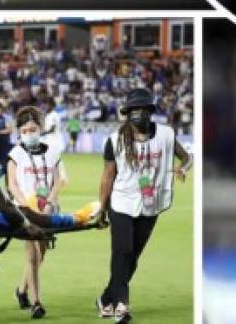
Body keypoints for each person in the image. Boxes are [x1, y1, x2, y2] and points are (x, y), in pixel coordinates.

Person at [97, 89, 192, 324]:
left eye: (143, 110)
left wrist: (183, 169)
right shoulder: (114, 139)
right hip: (121, 202)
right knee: (123, 251)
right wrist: (102, 207)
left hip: (151, 203)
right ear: (127, 113)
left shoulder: (166, 135)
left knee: (133, 256)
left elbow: (186, 157)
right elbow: (107, 176)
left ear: (151, 112)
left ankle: (105, 298)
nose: (139, 114)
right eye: (134, 110)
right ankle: (121, 304)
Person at [7, 107, 69, 318]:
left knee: (41, 254)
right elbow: (12, 183)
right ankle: (37, 303)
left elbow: (59, 179)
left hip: (47, 208)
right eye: (25, 130)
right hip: (25, 211)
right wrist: (24, 205)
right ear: (19, 132)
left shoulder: (52, 151)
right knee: (32, 255)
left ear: (40, 128)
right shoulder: (15, 154)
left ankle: (21, 290)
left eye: (33, 129)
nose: (29, 133)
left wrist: (51, 200)